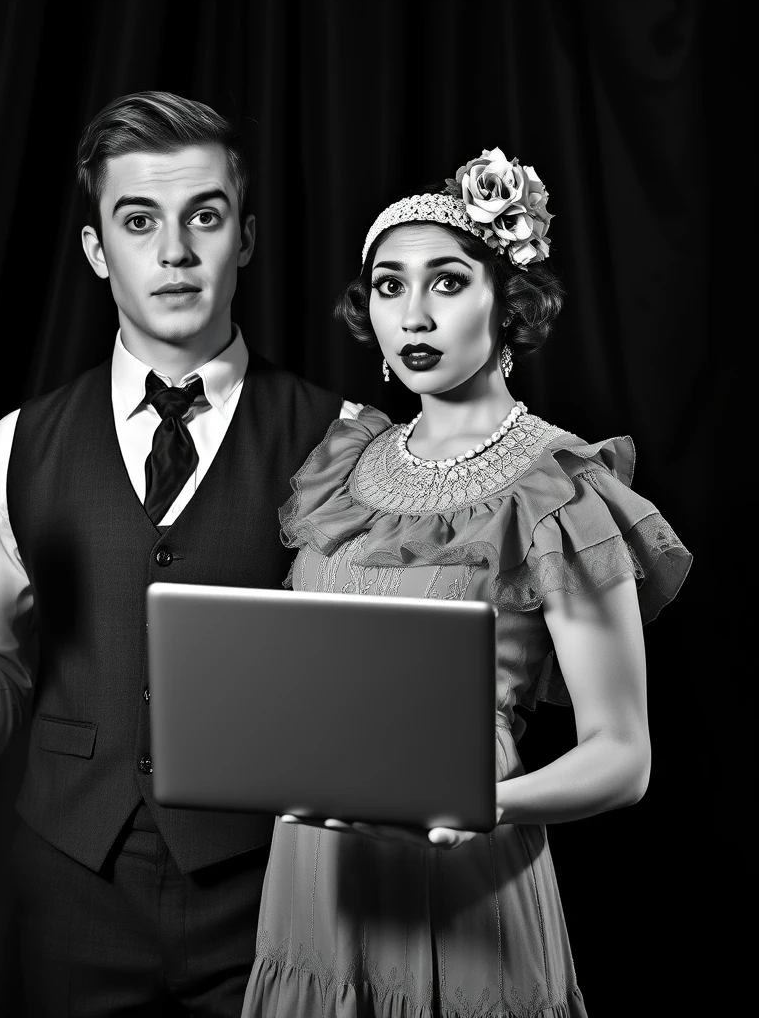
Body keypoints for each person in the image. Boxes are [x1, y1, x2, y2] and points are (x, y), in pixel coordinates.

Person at [0, 91, 359, 1017]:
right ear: (99, 249)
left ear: (246, 239)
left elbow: (368, 698)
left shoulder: (343, 441)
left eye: (205, 218)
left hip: (279, 895)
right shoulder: (17, 445)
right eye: (139, 222)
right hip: (72, 898)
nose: (175, 253)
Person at [241, 150, 692, 1017]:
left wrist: (479, 805)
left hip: (460, 882)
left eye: (447, 283)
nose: (412, 313)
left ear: (508, 303)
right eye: (387, 285)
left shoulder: (556, 484)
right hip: (308, 882)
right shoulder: (342, 467)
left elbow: (622, 758)